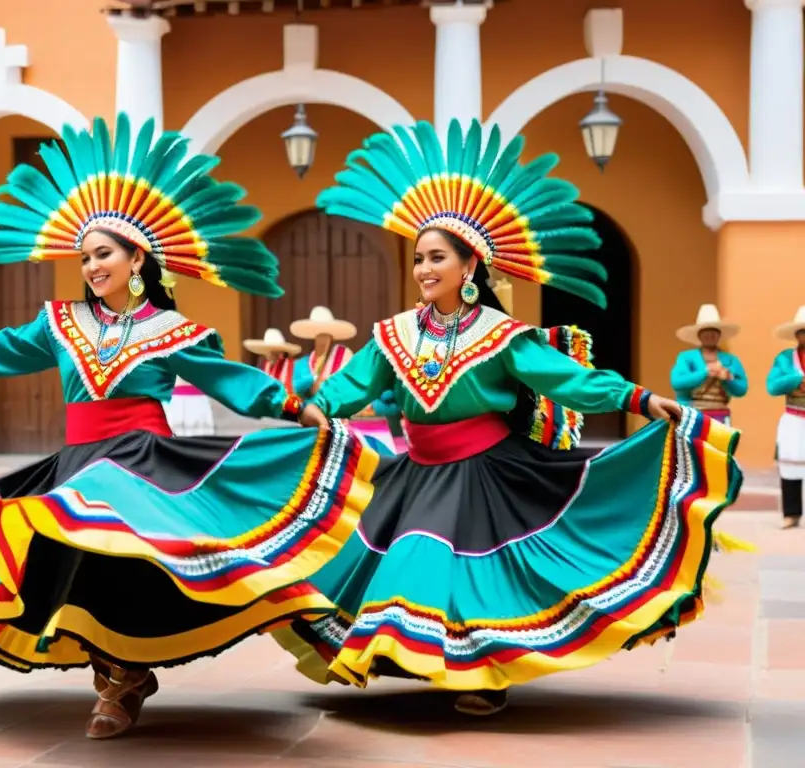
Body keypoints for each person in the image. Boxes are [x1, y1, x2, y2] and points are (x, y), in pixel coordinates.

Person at [0, 113, 375, 741]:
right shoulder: (59, 322)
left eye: (103, 253)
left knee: (137, 563)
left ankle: (125, 676)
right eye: (84, 256)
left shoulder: (174, 331)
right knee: (72, 566)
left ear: (136, 256)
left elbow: (229, 378)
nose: (90, 265)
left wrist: (292, 406)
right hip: (79, 460)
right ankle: (117, 673)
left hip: (143, 461)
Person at [273, 118, 744, 716]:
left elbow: (568, 380)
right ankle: (432, 662)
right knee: (403, 565)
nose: (422, 269)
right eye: (418, 258)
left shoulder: (502, 336)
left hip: (483, 469)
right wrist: (311, 407)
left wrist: (638, 399)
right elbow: (353, 382)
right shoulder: (393, 334)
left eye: (436, 258)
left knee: (471, 574)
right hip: (417, 471)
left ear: (468, 267)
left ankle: (480, 676)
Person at [291, 306, 400, 455]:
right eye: (319, 335)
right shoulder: (303, 364)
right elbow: (298, 387)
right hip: (310, 421)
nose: (322, 339)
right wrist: (312, 383)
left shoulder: (344, 356)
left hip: (340, 423)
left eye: (326, 335)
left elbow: (354, 387)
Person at [671, 304, 748, 425]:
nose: (710, 336)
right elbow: (677, 382)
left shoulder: (731, 360)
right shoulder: (686, 358)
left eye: (714, 332)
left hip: (721, 416)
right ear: (699, 335)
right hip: (693, 415)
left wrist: (728, 378)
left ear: (719, 335)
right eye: (706, 332)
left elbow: (742, 389)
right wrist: (705, 372)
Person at [768, 305, 805, 529]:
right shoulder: (785, 359)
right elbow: (772, 386)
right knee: (790, 465)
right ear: (796, 334)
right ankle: (791, 513)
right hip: (793, 417)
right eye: (803, 331)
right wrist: (796, 378)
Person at [243, 327, 301, 394]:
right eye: (267, 352)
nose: (268, 355)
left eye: (273, 353)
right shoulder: (264, 366)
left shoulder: (293, 366)